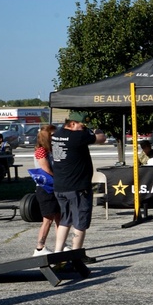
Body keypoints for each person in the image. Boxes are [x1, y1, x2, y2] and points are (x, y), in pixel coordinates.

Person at [51, 111, 106, 262]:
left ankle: (58, 253)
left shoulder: (57, 134)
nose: (83, 129)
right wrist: (96, 130)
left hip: (61, 186)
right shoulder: (77, 136)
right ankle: (77, 256)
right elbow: (102, 139)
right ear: (73, 123)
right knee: (80, 221)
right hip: (78, 187)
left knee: (65, 220)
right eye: (82, 126)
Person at [31, 125, 62, 255]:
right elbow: (46, 169)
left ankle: (61, 244)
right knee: (47, 219)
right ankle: (40, 247)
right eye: (53, 135)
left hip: (56, 187)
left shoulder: (52, 150)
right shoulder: (41, 151)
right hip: (46, 188)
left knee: (59, 218)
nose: (55, 137)